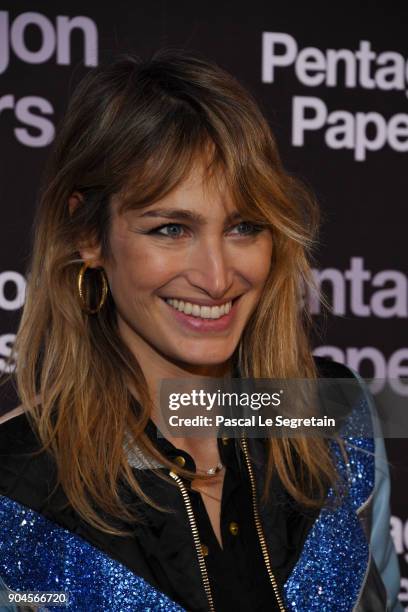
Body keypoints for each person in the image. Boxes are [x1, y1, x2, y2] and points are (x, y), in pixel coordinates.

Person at [0, 49, 402, 612]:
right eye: (170, 228)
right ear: (87, 235)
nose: (217, 278)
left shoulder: (338, 422)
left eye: (244, 226)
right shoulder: (16, 486)